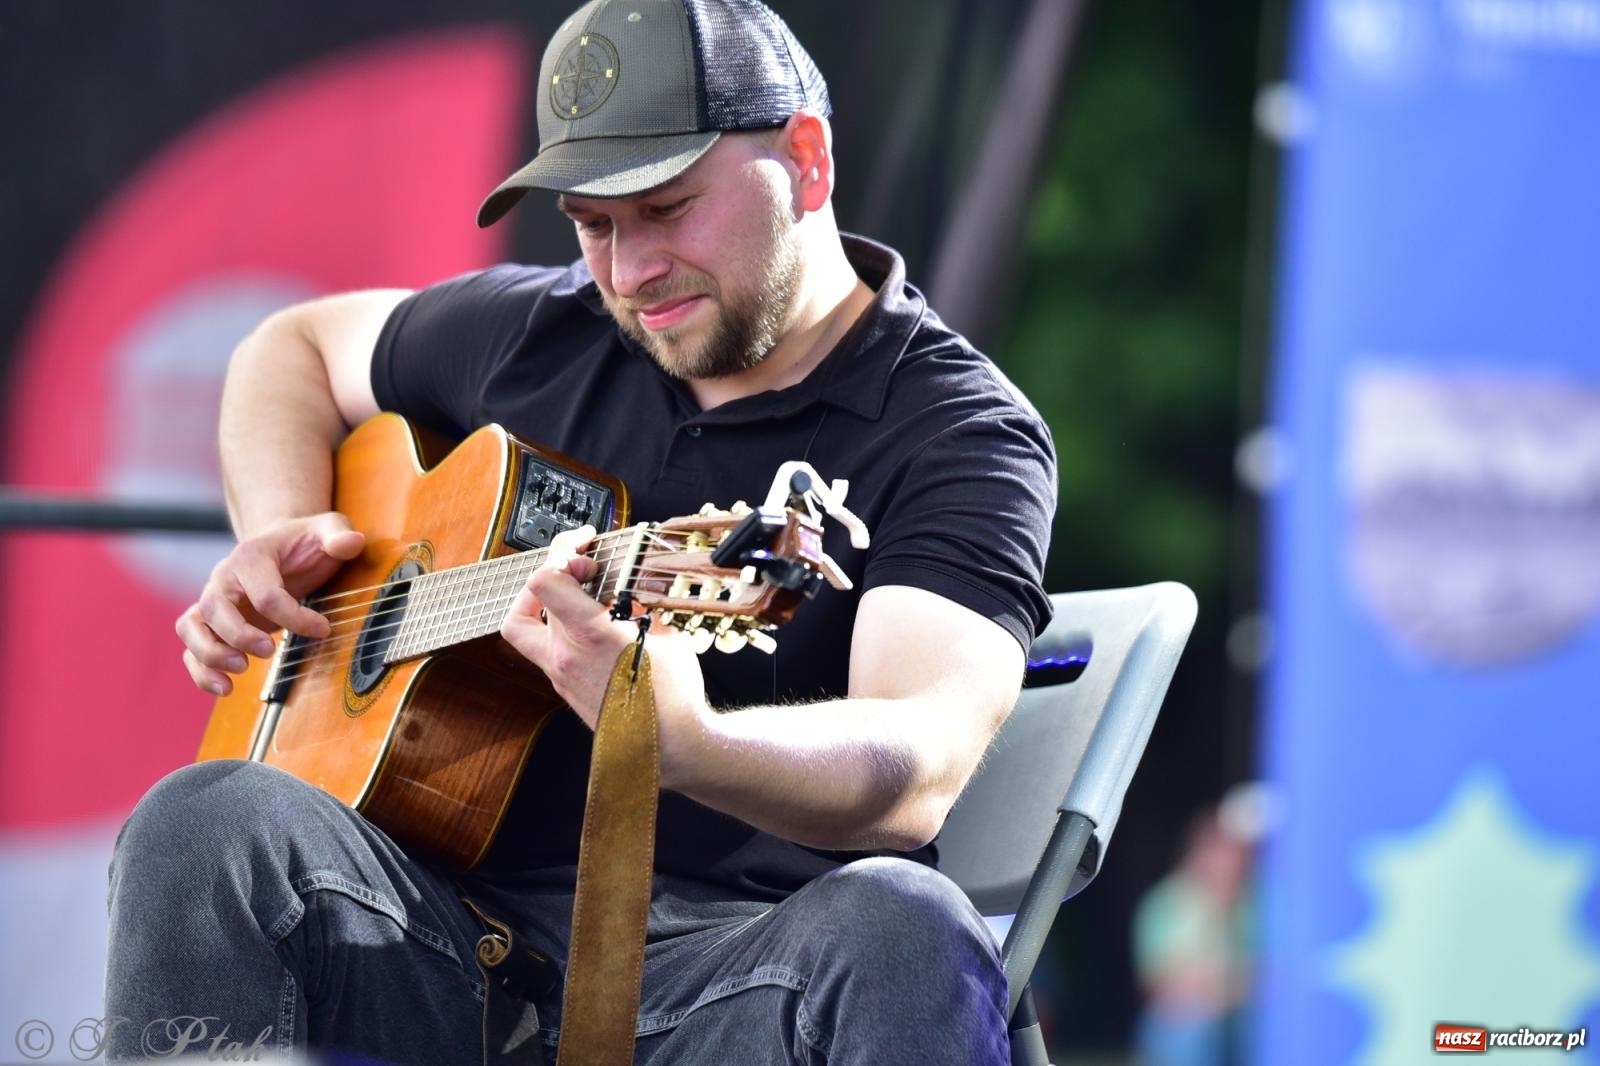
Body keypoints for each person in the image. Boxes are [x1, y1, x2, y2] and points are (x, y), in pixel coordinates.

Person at [106, 1, 1056, 1062]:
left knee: (900, 924)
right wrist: (287, 540)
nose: (628, 270)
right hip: (440, 946)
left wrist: (689, 744)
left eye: (666, 208)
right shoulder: (536, 333)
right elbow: (288, 350)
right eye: (592, 224)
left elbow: (917, 758)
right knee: (202, 825)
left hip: (733, 977)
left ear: (807, 159)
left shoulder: (957, 431)